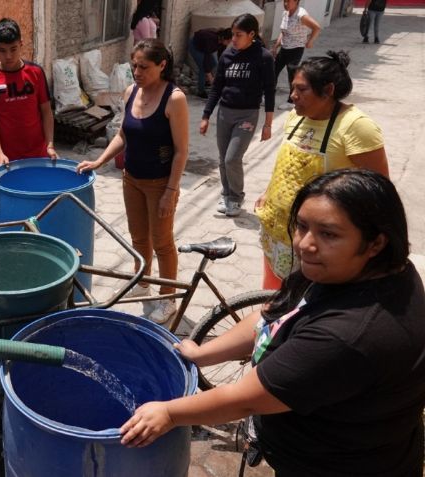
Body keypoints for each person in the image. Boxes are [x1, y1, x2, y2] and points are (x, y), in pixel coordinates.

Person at [120, 169, 425, 477]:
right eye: (302, 226)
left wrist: (169, 414)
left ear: (375, 243)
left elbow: (244, 401)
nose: (305, 244)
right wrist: (203, 354)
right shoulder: (365, 269)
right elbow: (270, 316)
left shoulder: (348, 335)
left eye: (329, 234)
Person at [255, 50, 388, 289]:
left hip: (316, 241)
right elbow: (285, 167)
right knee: (273, 294)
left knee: (306, 301)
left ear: (328, 90)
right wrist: (269, 193)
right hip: (278, 229)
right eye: (292, 88)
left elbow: (379, 191)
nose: (293, 96)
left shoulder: (356, 126)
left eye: (301, 89)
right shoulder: (295, 119)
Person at [77, 40, 189, 324]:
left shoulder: (174, 99)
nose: (137, 72)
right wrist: (99, 161)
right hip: (132, 179)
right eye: (134, 65)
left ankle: (168, 298)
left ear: (162, 65)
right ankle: (142, 285)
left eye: (144, 67)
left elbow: (181, 151)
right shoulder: (131, 92)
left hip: (160, 183)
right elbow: (123, 136)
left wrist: (170, 191)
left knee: (162, 242)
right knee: (139, 238)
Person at [200, 14, 275, 217]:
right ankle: (226, 194)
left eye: (238, 35)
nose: (233, 39)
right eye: (232, 34)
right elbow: (216, 87)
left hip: (247, 115)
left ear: (252, 34)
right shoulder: (227, 55)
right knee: (223, 159)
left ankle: (236, 197)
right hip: (225, 113)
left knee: (233, 158)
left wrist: (268, 124)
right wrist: (206, 115)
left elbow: (270, 91)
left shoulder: (264, 57)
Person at [0, 18, 58, 167]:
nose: (8, 56)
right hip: (8, 159)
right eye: (2, 50)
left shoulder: (36, 73)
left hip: (39, 155)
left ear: (21, 44)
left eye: (13, 49)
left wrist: (50, 145)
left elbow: (47, 112)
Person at [270, 0, 321, 108]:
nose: (286, 3)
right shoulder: (286, 13)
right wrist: (275, 46)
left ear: (296, 1)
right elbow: (283, 32)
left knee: (292, 74)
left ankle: (291, 101)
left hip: (296, 49)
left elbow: (316, 27)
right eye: (284, 1)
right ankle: (269, 96)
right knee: (273, 70)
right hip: (284, 48)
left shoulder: (301, 15)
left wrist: (310, 41)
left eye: (289, 1)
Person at [186, 28, 232, 99]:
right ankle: (200, 91)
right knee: (203, 69)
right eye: (229, 41)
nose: (229, 43)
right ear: (224, 38)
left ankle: (206, 81)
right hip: (195, 46)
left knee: (214, 64)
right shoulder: (211, 41)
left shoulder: (222, 42)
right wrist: (211, 78)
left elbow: (221, 56)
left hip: (204, 47)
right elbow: (206, 61)